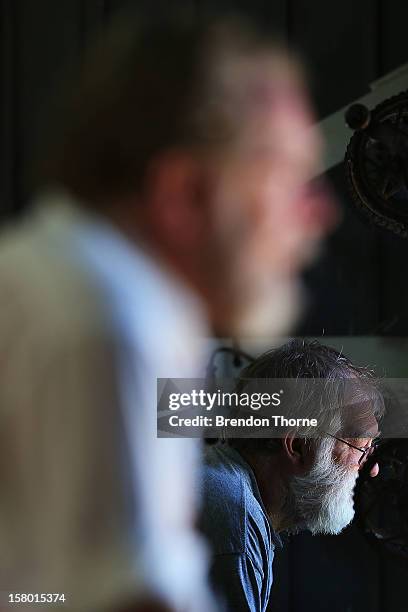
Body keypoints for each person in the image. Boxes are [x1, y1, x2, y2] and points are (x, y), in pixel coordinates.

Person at [0, 12, 332, 612]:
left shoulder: (61, 276)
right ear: (184, 194)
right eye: (285, 177)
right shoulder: (105, 315)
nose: (317, 213)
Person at [200, 339, 384, 612]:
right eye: (361, 447)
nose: (373, 467)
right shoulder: (236, 519)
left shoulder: (235, 493)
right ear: (297, 445)